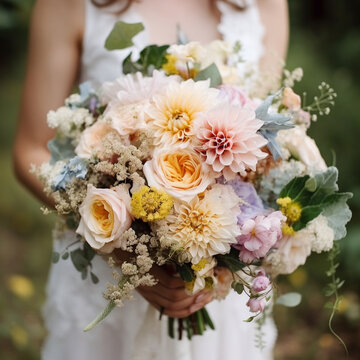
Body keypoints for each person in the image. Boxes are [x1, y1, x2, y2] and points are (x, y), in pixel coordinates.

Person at [13, 0, 289, 359]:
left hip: (216, 284)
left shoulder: (265, 5)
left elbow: (268, 145)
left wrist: (211, 263)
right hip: (109, 277)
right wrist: (122, 245)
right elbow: (31, 150)